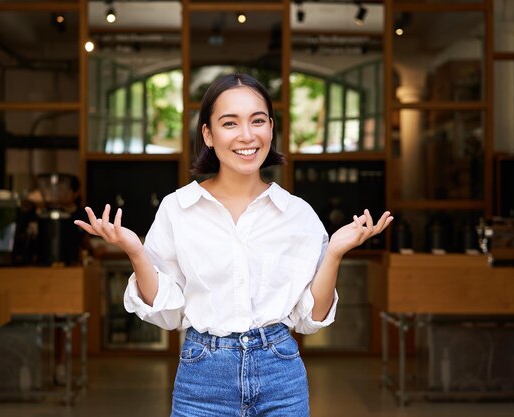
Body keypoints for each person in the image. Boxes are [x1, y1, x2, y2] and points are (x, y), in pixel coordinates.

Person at [74, 73, 393, 416]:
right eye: (230, 123)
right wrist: (135, 251)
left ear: (271, 128)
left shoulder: (297, 214)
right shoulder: (178, 209)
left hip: (281, 374)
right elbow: (166, 313)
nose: (247, 135)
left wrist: (334, 253)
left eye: (258, 120)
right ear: (208, 135)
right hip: (202, 378)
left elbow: (310, 318)